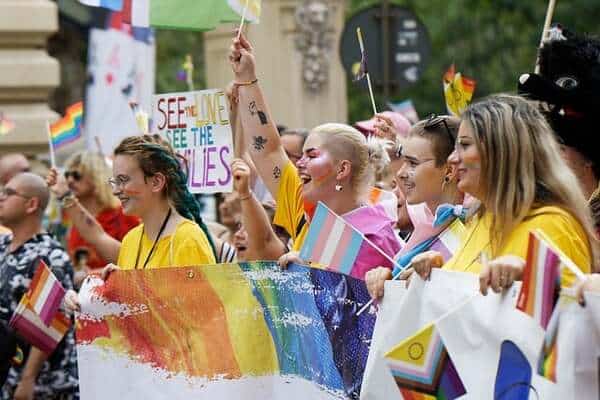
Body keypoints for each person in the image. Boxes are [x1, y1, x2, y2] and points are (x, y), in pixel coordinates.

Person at [367, 95, 598, 299]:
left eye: (465, 146)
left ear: (502, 153)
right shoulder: (480, 219)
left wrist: (530, 276)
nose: (453, 159)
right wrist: (436, 274)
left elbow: (570, 322)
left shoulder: (552, 226)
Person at [229, 33, 401, 280]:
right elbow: (268, 150)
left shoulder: (375, 237)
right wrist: (246, 78)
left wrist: (309, 270)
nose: (299, 162)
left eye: (311, 155)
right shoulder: (303, 206)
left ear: (342, 169)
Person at [64, 135, 217, 312]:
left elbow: (203, 318)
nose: (115, 191)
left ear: (156, 182)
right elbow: (131, 315)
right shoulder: (131, 240)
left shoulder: (188, 239)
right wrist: (88, 298)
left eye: (123, 180)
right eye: (115, 181)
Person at [0, 173, 78, 399]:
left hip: (44, 384)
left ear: (31, 204)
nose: (1, 198)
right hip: (7, 373)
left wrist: (28, 379)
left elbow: (52, 320)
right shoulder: (4, 244)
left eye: (9, 193)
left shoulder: (49, 254)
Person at [366, 115, 464, 293]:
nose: (401, 173)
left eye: (412, 163)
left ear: (449, 170)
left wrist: (440, 274)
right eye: (403, 161)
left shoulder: (472, 226)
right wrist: (387, 279)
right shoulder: (427, 217)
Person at [47, 151, 139, 271]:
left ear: (96, 177)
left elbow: (134, 262)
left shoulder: (123, 215)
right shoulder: (75, 221)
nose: (69, 180)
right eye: (67, 175)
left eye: (76, 175)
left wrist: (94, 274)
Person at [230, 158, 286, 261]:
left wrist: (245, 192)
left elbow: (264, 239)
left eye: (248, 229)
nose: (238, 235)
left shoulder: (275, 257)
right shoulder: (228, 258)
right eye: (239, 227)